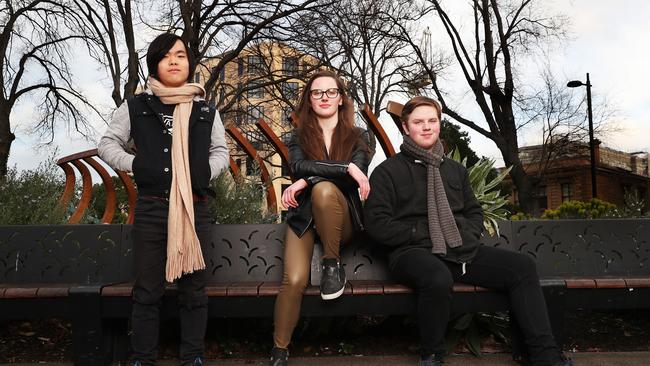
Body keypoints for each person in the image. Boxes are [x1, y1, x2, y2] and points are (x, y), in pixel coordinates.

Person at [363, 96, 573, 366]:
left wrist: (467, 233)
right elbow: (377, 224)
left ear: (439, 124)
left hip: (460, 249)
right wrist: (423, 233)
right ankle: (432, 355)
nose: (426, 127)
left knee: (522, 267)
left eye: (432, 121)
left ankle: (545, 356)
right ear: (406, 127)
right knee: (437, 277)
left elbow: (474, 212)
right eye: (418, 122)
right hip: (411, 252)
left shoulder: (455, 171)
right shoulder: (387, 172)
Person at [98, 33, 229, 366]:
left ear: (189, 63)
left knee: (194, 291)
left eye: (181, 55)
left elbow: (221, 152)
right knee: (147, 291)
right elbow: (108, 144)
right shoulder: (136, 106)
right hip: (153, 207)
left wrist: (205, 173)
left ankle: (193, 357)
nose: (174, 60)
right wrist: (136, 165)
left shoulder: (206, 109)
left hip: (194, 208)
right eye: (166, 55)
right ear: (154, 63)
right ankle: (142, 358)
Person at [269, 70, 371, 365]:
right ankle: (279, 349)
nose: (324, 97)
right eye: (317, 93)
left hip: (343, 221)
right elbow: (298, 167)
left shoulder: (359, 136)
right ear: (309, 100)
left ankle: (331, 263)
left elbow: (353, 179)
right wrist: (344, 168)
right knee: (295, 279)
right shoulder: (298, 136)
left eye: (330, 92)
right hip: (305, 219)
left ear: (341, 98)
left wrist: (310, 179)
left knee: (326, 190)